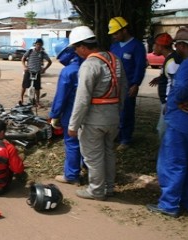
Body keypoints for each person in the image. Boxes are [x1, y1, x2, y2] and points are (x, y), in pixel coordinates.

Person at [146, 26, 188, 218]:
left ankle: (169, 204)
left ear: (181, 45)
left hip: (181, 122)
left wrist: (182, 100)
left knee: (172, 163)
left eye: (177, 44)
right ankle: (187, 202)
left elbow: (181, 90)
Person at [67, 26, 127, 200]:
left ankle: (96, 190)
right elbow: (123, 89)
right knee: (108, 153)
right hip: (112, 117)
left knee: (93, 157)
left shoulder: (89, 65)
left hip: (94, 120)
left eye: (75, 49)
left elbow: (82, 99)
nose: (76, 52)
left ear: (82, 47)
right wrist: (117, 111)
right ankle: (108, 187)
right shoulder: (115, 60)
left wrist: (73, 125)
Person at [108, 16, 147, 151]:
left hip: (128, 86)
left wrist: (135, 84)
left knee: (127, 112)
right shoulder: (114, 46)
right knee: (114, 111)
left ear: (124, 30)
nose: (114, 36)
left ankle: (126, 139)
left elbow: (139, 66)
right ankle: (116, 134)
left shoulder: (137, 46)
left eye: (116, 33)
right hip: (114, 86)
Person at [50, 39, 84, 185]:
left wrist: (54, 115)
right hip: (91, 113)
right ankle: (88, 169)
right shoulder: (90, 65)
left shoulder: (69, 71)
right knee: (87, 143)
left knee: (72, 144)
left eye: (59, 57)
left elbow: (61, 97)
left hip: (72, 113)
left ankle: (71, 175)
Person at [148, 33, 181, 139]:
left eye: (154, 45)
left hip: (169, 103)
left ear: (160, 46)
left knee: (163, 131)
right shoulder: (170, 59)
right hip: (168, 102)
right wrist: (160, 78)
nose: (153, 47)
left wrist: (168, 103)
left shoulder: (172, 62)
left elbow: (176, 84)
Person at [21, 38, 52, 106]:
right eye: (37, 44)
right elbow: (23, 59)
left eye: (40, 45)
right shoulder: (30, 51)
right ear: (35, 44)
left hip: (37, 72)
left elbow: (50, 62)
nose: (38, 46)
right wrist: (25, 67)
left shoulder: (43, 53)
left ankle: (37, 101)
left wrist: (44, 69)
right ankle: (21, 99)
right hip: (28, 71)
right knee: (24, 86)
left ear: (42, 45)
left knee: (37, 88)